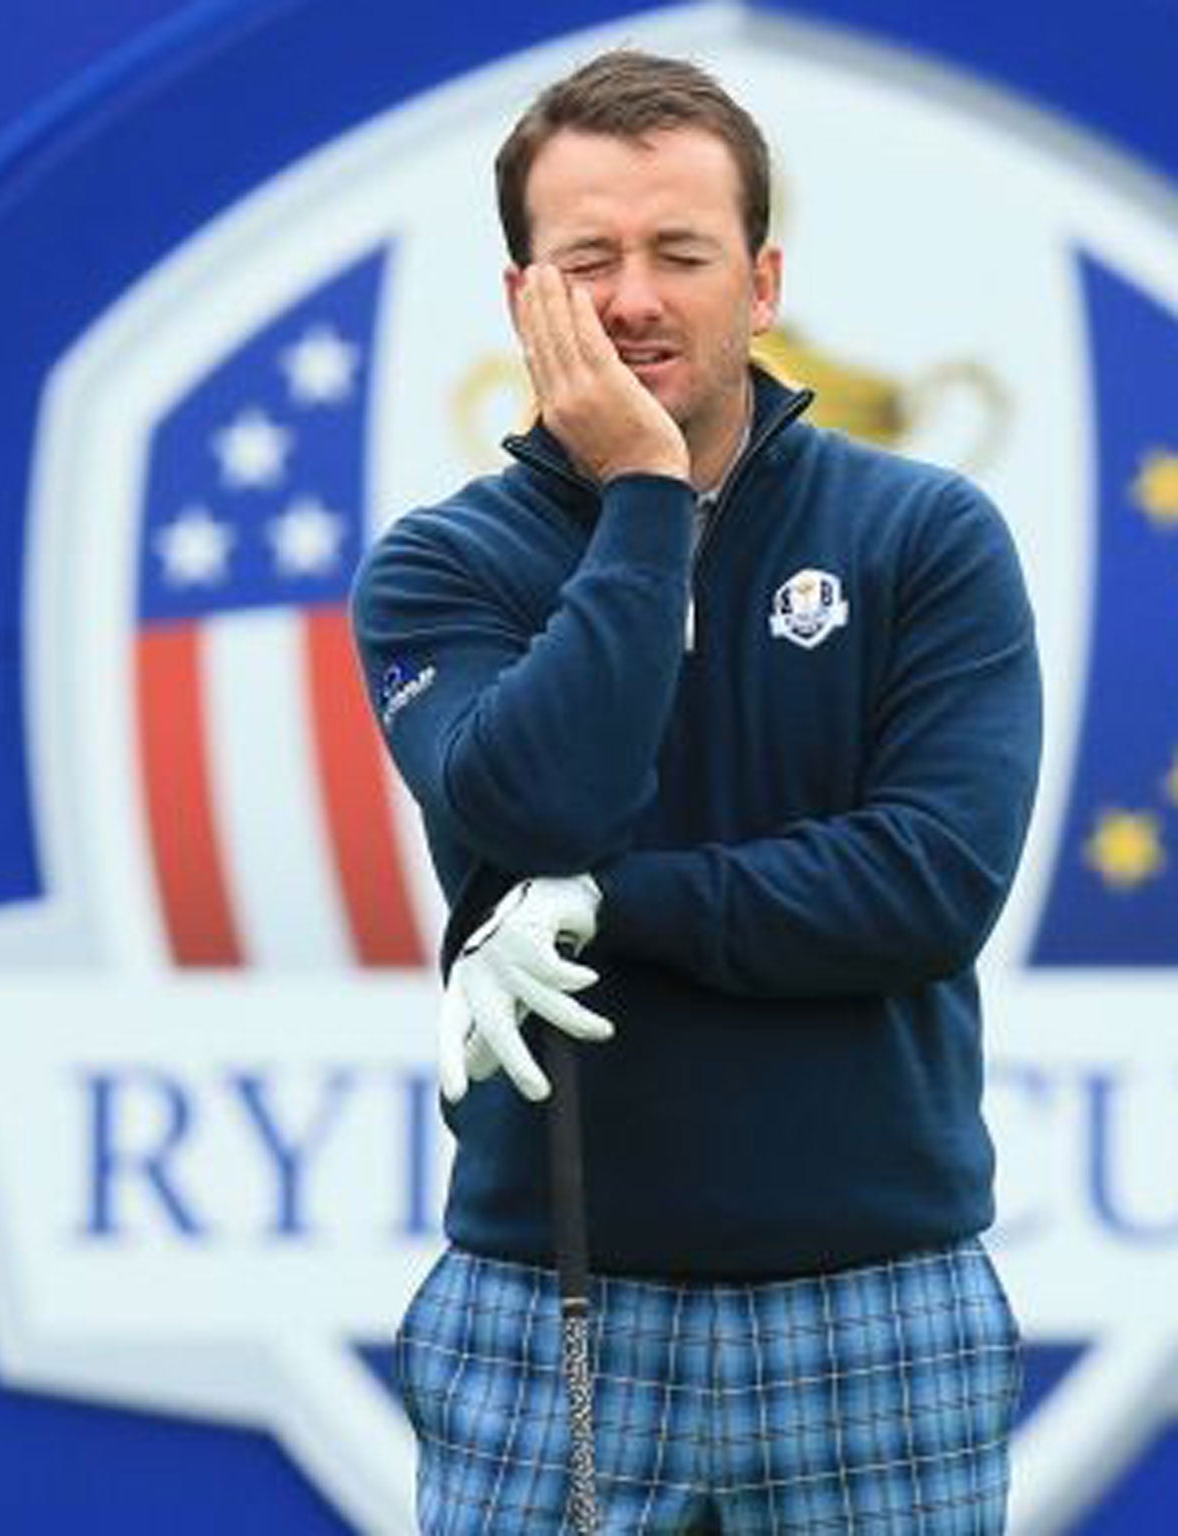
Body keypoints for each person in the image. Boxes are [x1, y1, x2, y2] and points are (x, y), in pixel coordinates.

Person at [353, 50, 1040, 1534]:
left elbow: (928, 887)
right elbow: (538, 809)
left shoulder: (924, 533)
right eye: (585, 260)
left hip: (879, 1301)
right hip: (553, 1302)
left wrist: (611, 901)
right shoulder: (441, 565)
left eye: (681, 254)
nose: (633, 301)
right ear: (521, 295)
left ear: (765, 280)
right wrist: (648, 498)